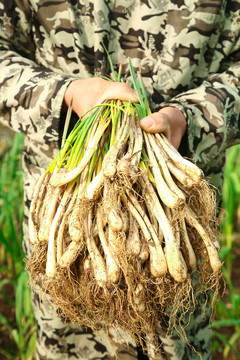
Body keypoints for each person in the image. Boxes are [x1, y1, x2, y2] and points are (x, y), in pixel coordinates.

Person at [0, 0, 240, 359]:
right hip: (65, 228)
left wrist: (191, 117)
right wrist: (63, 95)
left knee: (174, 338)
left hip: (176, 212)